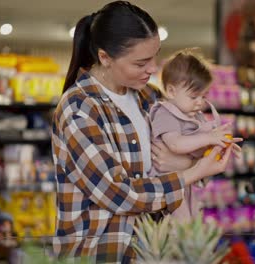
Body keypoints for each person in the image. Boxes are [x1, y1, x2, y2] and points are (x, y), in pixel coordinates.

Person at [51, 1, 240, 263]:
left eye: (154, 56)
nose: (153, 69)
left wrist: (193, 158)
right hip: (100, 254)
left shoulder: (150, 98)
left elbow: (176, 156)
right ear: (105, 58)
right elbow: (118, 193)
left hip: (153, 251)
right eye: (141, 63)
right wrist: (193, 170)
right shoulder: (79, 108)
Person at [149, 49, 243, 222]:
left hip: (187, 182)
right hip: (168, 186)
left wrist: (221, 143)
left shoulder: (194, 115)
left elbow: (200, 149)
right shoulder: (164, 113)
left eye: (203, 95)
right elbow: (176, 144)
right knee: (180, 228)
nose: (200, 102)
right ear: (171, 91)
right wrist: (209, 138)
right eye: (194, 96)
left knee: (194, 221)